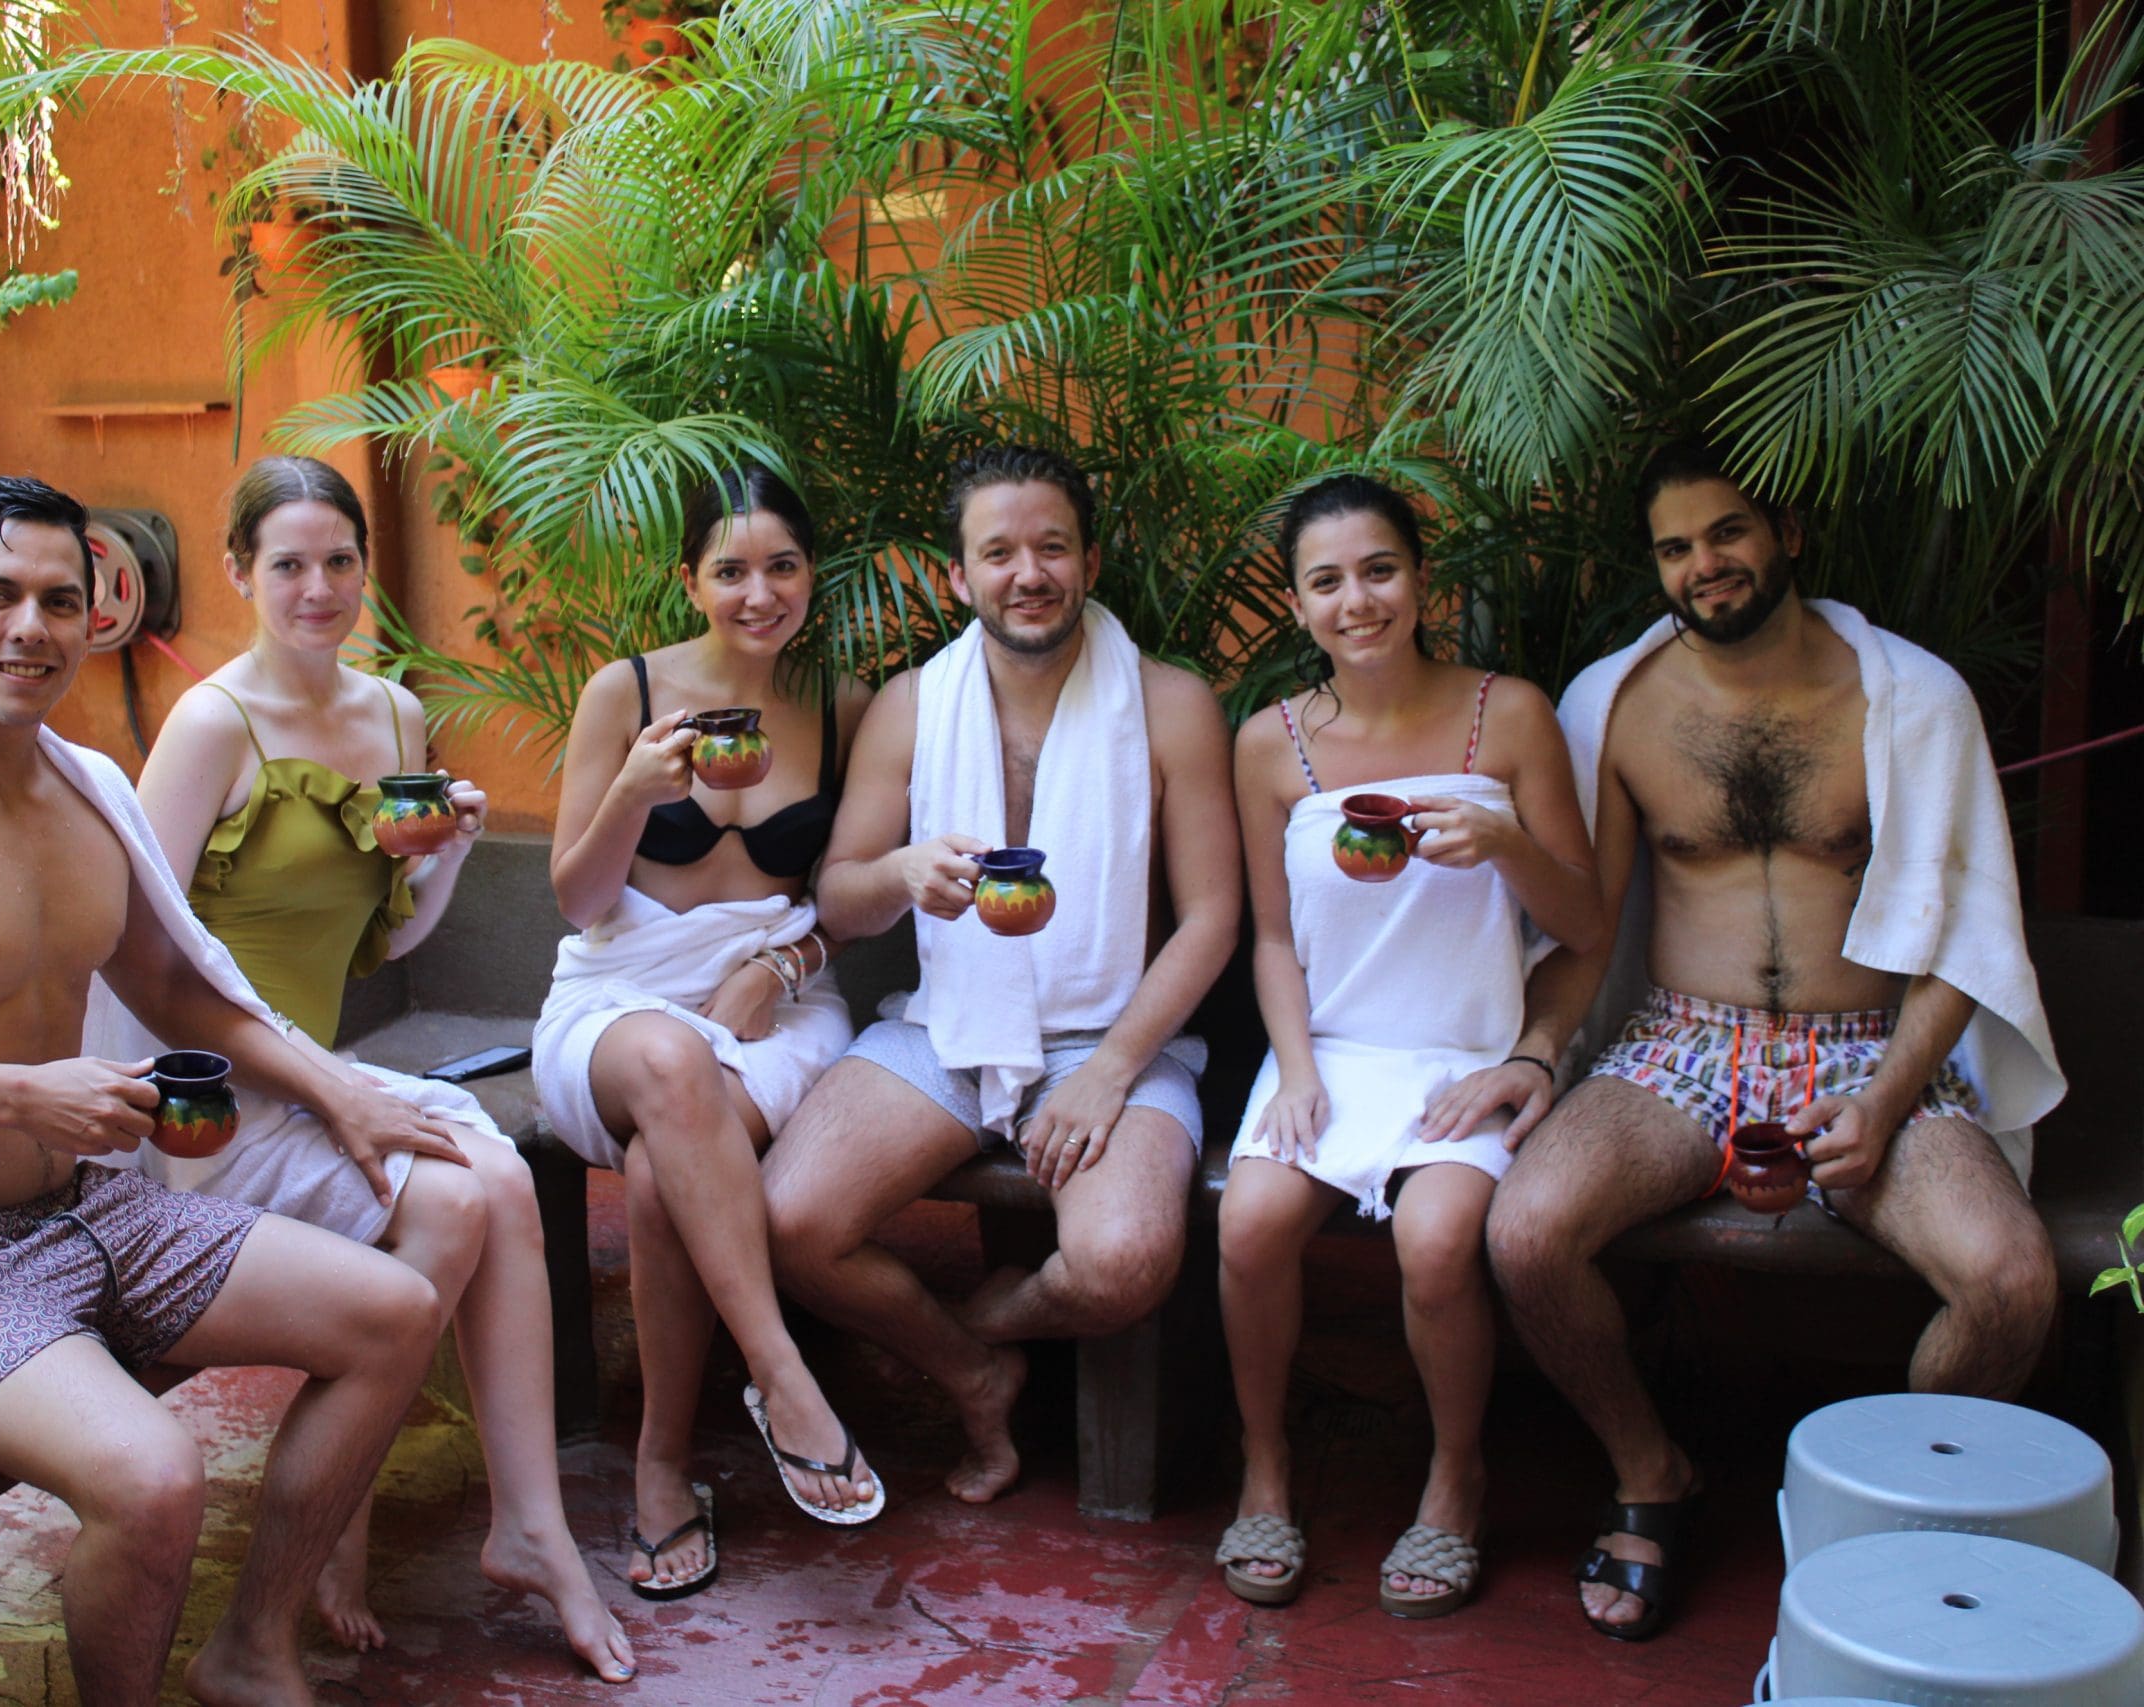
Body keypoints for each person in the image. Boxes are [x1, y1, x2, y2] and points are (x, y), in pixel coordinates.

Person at [0, 475, 487, 1707]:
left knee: (395, 1311)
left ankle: (253, 1648)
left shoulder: (86, 790)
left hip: (89, 1209)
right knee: (154, 1475)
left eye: (59, 601)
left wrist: (335, 1090)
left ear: (94, 620)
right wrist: (22, 1099)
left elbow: (177, 983)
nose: (30, 627)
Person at [1481, 438, 2066, 1642]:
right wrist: (1540, 1050)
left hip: (1868, 1048)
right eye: (1675, 547)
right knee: (1526, 1234)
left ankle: (1889, 1514)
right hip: (1679, 1043)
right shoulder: (1617, 704)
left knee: (2010, 1283)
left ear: (1786, 534)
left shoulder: (1909, 698)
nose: (1704, 564)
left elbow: (1962, 939)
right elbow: (1588, 926)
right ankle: (1650, 1471)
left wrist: (1887, 1100)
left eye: (1727, 532)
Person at [132, 456, 630, 1679]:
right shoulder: (210, 726)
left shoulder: (396, 717)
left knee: (493, 1181)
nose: (318, 589)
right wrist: (312, 1085)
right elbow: (138, 957)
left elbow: (387, 941)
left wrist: (449, 850)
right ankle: (349, 1518)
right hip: (204, 1104)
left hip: (320, 1070)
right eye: (288, 564)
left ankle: (522, 1524)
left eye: (339, 562)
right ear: (239, 571)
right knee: (469, 1193)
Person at [763, 443, 1242, 1506]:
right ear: (959, 576)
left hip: (1115, 1034)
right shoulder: (910, 706)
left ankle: (989, 1319)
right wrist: (898, 871)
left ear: (1091, 562)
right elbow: (840, 897)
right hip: (947, 1024)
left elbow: (1212, 916)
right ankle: (975, 1374)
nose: (1028, 573)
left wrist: (1112, 1070)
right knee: (791, 1223)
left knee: (1122, 1263)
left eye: (1052, 548)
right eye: (998, 553)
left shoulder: (1169, 704)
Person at [1215, 475, 1601, 1615]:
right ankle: (1265, 1464)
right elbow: (1271, 940)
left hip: (1470, 1053)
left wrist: (1504, 842)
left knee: (1435, 1244)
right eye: (1327, 581)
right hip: (1330, 1048)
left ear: (1422, 581)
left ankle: (1454, 1476)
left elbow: (1585, 923)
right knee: (1249, 1224)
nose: (1359, 601)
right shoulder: (1268, 744)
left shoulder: (1508, 715)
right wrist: (1294, 1070)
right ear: (1297, 605)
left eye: (1379, 571)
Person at [533, 464, 879, 1598]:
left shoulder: (846, 706)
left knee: (658, 1172)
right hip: (616, 997)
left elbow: (850, 903)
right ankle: (784, 1378)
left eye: (782, 567)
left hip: (774, 1003)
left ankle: (660, 1466)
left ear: (810, 576)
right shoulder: (623, 691)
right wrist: (632, 790)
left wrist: (784, 966)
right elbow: (577, 901)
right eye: (730, 571)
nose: (758, 593)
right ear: (690, 581)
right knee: (670, 1063)